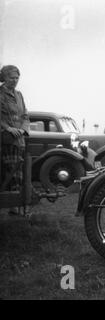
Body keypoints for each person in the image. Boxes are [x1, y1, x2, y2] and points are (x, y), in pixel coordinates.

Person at [0, 65, 30, 215]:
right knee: (11, 172)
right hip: (6, 140)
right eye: (12, 77)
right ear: (4, 77)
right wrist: (7, 128)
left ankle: (17, 206)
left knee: (20, 173)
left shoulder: (19, 95)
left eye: (17, 77)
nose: (15, 80)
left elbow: (25, 115)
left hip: (20, 140)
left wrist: (23, 129)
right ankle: (13, 206)